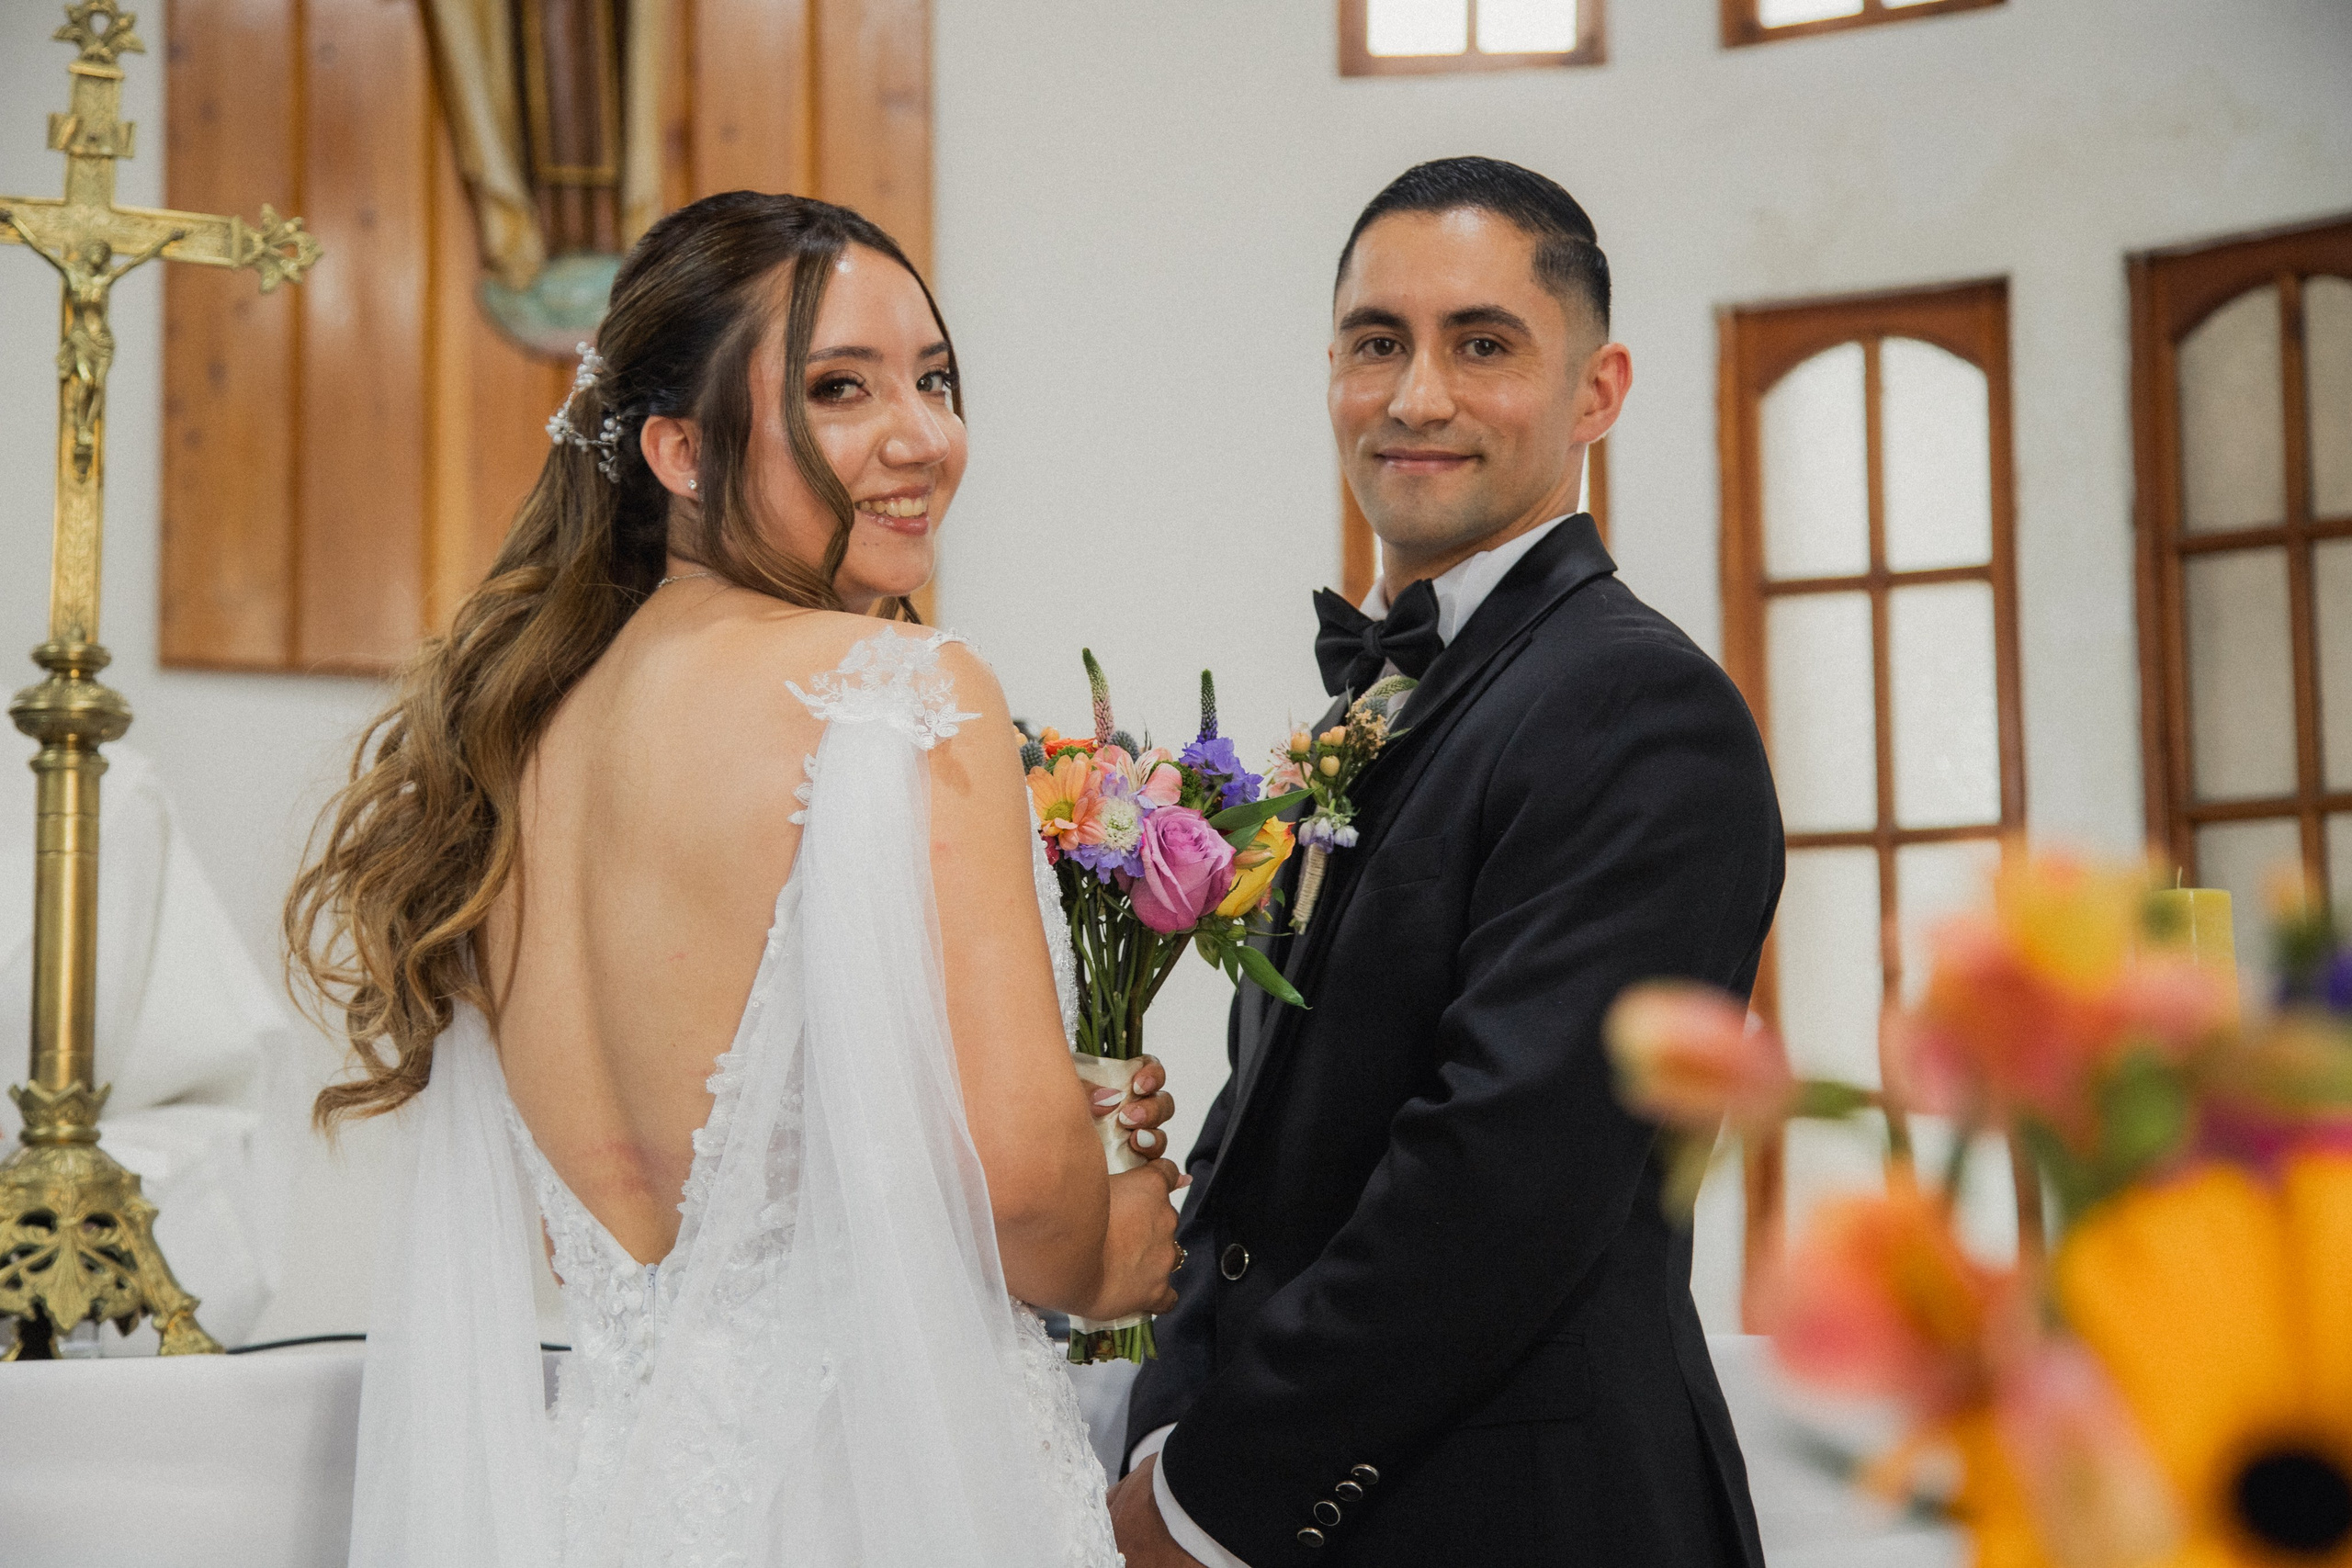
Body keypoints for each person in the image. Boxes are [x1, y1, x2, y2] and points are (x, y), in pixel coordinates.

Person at [287, 190, 1183, 1567]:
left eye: (935, 380)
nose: (922, 439)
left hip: (603, 1511)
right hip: (870, 1506)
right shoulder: (899, 697)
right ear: (677, 451)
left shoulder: (516, 742)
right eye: (841, 389)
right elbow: (1023, 1213)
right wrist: (1122, 1229)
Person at [1114, 158, 1782, 1566]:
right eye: (1377, 344)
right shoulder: (1368, 709)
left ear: (1596, 392)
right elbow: (1263, 1127)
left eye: (1482, 345)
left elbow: (1504, 1182)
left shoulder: (1640, 709)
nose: (1416, 397)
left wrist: (1204, 1500)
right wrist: (1167, 1416)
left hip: (1528, 1520)